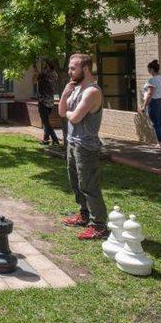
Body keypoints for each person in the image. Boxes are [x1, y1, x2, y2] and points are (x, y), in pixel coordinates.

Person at [58, 53, 108, 240]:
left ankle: (99, 226)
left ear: (85, 69)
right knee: (76, 183)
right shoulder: (76, 89)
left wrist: (70, 113)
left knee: (89, 185)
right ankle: (84, 215)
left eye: (73, 68)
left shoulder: (92, 92)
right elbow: (62, 112)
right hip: (72, 142)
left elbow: (75, 117)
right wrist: (64, 94)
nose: (70, 71)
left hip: (86, 146)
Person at [140, 59, 161, 150]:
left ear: (152, 69)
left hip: (154, 103)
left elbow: (150, 93)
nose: (148, 71)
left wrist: (144, 106)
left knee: (156, 124)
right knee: (159, 123)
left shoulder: (152, 80)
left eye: (148, 69)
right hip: (160, 101)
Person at [36, 61, 60, 146]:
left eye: (45, 66)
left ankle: (55, 140)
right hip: (50, 101)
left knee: (46, 122)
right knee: (46, 121)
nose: (44, 67)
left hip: (43, 101)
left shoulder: (45, 74)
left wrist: (36, 69)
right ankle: (46, 139)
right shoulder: (55, 74)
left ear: (48, 66)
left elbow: (37, 78)